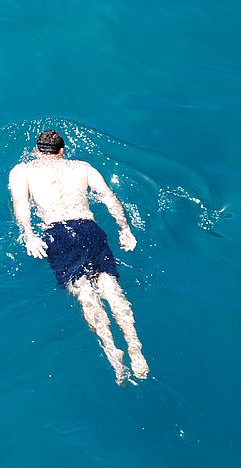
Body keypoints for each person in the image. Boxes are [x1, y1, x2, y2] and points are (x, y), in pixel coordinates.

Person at [8, 129, 149, 384]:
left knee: (86, 294)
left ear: (37, 151)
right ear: (63, 151)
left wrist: (28, 234)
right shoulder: (83, 167)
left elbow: (20, 205)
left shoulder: (22, 171)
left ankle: (113, 354)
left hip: (57, 233)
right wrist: (124, 229)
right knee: (111, 288)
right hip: (89, 229)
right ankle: (136, 349)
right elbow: (108, 197)